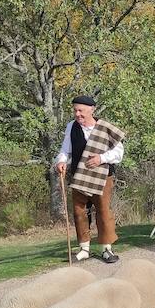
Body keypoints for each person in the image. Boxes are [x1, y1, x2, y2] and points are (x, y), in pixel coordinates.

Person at [53, 94, 126, 262]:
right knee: (79, 212)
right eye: (75, 110)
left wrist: (101, 158)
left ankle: (106, 249)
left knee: (103, 211)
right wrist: (61, 161)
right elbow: (65, 149)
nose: (77, 114)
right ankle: (84, 249)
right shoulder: (71, 126)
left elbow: (119, 153)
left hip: (103, 177)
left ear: (92, 110)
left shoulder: (105, 128)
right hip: (79, 176)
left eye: (81, 110)